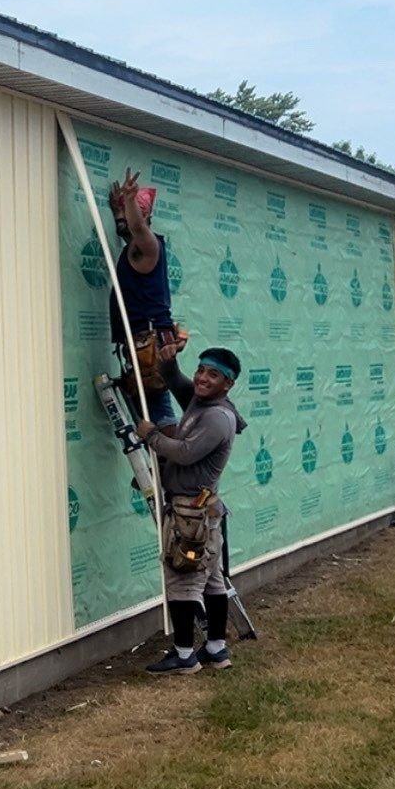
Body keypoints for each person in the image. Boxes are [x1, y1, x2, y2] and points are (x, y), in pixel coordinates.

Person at [133, 346, 246, 673]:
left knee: (182, 579)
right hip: (202, 512)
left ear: (228, 384)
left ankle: (184, 655)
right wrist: (168, 358)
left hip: (190, 515)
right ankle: (216, 649)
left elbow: (183, 453)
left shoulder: (217, 418)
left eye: (213, 375)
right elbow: (174, 379)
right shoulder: (201, 401)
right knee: (212, 581)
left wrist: (150, 435)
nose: (202, 378)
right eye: (201, 370)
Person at [106, 167, 187, 427]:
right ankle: (162, 458)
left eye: (130, 216)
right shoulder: (136, 247)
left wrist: (129, 202)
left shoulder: (149, 246)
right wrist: (120, 210)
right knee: (148, 405)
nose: (125, 223)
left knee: (156, 405)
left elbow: (137, 227)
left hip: (149, 342)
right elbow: (128, 230)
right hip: (145, 340)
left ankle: (171, 461)